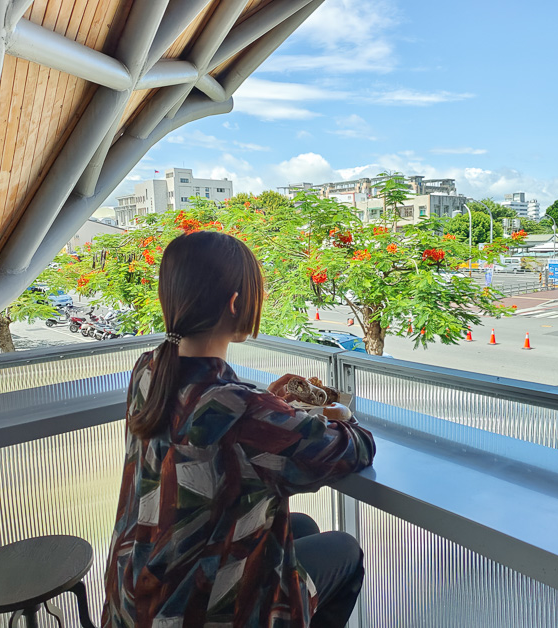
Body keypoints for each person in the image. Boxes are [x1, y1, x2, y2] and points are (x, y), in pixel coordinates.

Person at [101, 230, 376, 628]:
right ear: (235, 303)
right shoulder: (242, 409)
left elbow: (213, 426)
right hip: (194, 613)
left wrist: (270, 404)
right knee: (346, 551)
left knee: (300, 527)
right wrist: (340, 416)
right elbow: (355, 450)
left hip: (135, 597)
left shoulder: (148, 370)